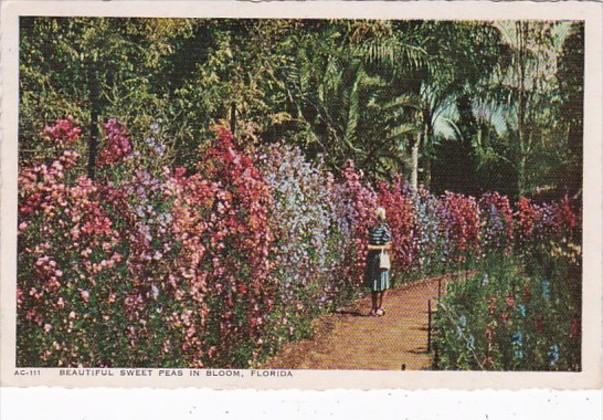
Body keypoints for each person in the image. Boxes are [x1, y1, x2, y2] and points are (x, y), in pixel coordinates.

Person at [365, 207, 392, 316]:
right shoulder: (371, 228)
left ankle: (381, 307)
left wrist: (373, 247)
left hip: (381, 258)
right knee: (374, 284)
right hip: (372, 259)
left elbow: (388, 246)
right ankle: (373, 307)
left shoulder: (384, 228)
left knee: (383, 283)